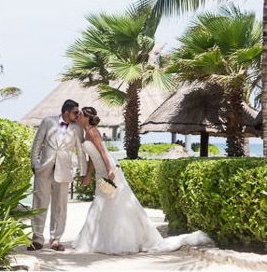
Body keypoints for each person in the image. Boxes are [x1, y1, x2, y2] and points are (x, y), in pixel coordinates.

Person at [73, 106, 211, 254]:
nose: (78, 117)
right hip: (100, 173)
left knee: (112, 202)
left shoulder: (93, 132)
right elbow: (92, 157)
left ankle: (120, 240)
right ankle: (96, 240)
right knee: (101, 202)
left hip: (108, 170)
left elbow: (103, 152)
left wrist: (109, 170)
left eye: (80, 114)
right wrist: (88, 175)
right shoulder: (86, 133)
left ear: (87, 117)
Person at [29, 99, 86, 251]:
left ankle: (56, 239)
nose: (77, 115)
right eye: (75, 112)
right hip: (44, 170)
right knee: (39, 203)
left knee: (60, 206)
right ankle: (37, 239)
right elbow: (37, 143)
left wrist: (83, 171)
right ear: (66, 112)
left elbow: (81, 152)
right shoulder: (48, 121)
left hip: (64, 171)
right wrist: (34, 164)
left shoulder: (77, 128)